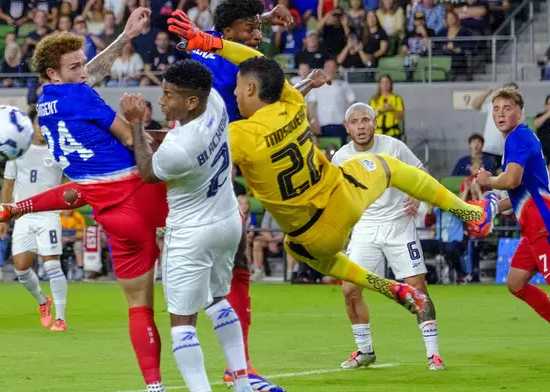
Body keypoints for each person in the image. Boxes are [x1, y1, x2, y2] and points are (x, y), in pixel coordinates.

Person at [167, 11, 497, 324]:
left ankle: (388, 287)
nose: (235, 92)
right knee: (390, 166)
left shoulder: (237, 135)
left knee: (300, 249)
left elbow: (195, 155)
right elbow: (261, 65)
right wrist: (210, 42)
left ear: (251, 89)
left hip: (312, 237)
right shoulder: (294, 104)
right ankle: (471, 214)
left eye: (238, 86)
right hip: (343, 200)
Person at [0, 8, 169, 392]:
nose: (83, 71)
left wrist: (125, 36)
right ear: (54, 73)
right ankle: (236, 368)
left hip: (108, 212)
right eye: (74, 66)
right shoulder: (81, 96)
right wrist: (149, 129)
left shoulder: (46, 109)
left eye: (82, 63)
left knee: (140, 308)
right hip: (145, 196)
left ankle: (154, 386)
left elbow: (74, 191)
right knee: (212, 280)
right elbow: (133, 140)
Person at [121, 60, 252, 392]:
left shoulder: (180, 148)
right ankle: (242, 384)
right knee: (218, 299)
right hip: (226, 221)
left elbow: (149, 172)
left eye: (168, 94)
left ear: (192, 102)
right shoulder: (218, 103)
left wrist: (136, 124)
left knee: (182, 323)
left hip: (192, 233)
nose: (161, 101)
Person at [189, 1, 293, 388]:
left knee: (221, 274)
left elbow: (225, 32)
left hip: (198, 171)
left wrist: (261, 18)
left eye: (258, 26)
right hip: (213, 177)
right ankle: (239, 369)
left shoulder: (208, 45)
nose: (259, 35)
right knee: (231, 274)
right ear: (231, 33)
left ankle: (237, 367)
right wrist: (237, 187)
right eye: (250, 29)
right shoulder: (237, 68)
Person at [332, 113, 444, 370]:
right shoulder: (340, 157)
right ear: (347, 127)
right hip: (365, 229)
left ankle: (433, 354)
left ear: (374, 122)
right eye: (355, 122)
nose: (361, 126)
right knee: (349, 289)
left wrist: (417, 195)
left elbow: (421, 172)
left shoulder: (393, 146)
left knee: (417, 288)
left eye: (365, 120)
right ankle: (365, 351)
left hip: (398, 225)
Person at [475, 88, 550, 323]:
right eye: (496, 109)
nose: (500, 114)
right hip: (534, 229)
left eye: (507, 108)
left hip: (542, 226)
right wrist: (494, 207)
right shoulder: (520, 137)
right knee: (516, 282)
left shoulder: (518, 138)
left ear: (520, 112)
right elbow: (520, 190)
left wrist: (488, 182)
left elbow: (511, 180)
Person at [0, 107, 68, 330]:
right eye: (38, 123)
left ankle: (60, 318)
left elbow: (74, 179)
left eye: (46, 123)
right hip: (22, 215)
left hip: (48, 214)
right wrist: (2, 218)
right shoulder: (17, 151)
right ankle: (42, 301)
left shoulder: (59, 151)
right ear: (31, 125)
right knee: (21, 268)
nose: (42, 127)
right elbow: (8, 185)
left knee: (52, 265)